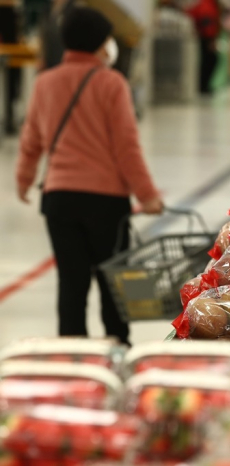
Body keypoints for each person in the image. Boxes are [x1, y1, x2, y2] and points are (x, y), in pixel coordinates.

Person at [15, 7, 163, 345]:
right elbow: (126, 149)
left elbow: (31, 140)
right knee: (114, 282)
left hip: (59, 199)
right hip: (106, 202)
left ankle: (72, 351)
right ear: (100, 43)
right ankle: (117, 346)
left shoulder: (45, 83)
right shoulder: (112, 84)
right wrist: (147, 195)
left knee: (71, 282)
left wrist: (24, 180)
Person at [186, 0, 222, 94]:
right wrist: (211, 39)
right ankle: (203, 86)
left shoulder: (205, 4)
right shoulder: (207, 5)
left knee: (207, 60)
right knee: (210, 60)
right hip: (206, 37)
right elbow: (207, 23)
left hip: (203, 36)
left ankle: (202, 85)